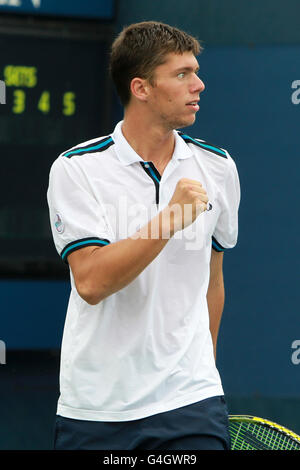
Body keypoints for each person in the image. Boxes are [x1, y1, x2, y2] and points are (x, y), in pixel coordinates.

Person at [47, 21, 240, 450]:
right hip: (96, 410)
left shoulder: (220, 167)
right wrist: (168, 219)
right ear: (141, 88)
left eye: (196, 71)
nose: (199, 84)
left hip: (191, 401)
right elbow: (92, 283)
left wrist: (204, 369)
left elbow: (213, 279)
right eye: (182, 74)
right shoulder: (76, 169)